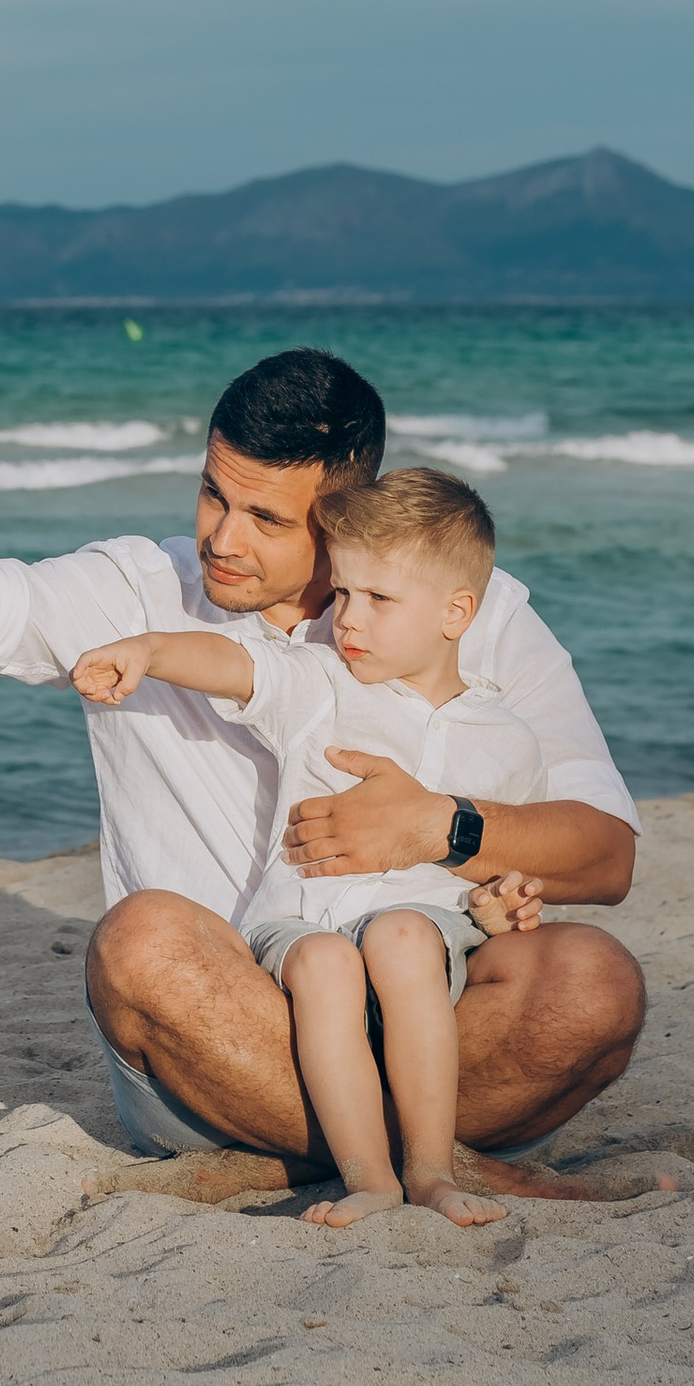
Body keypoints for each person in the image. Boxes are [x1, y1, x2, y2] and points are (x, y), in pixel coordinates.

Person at [0, 346, 645, 1190]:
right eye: (212, 495)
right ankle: (417, 1156)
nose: (221, 537)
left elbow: (602, 854)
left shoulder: (473, 611)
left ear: (346, 513)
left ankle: (347, 1153)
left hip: (417, 994)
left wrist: (440, 828)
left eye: (265, 517)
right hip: (232, 1028)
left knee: (592, 985)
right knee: (145, 942)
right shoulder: (138, 592)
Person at [73, 464, 541, 1226]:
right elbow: (234, 666)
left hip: (424, 936)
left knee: (399, 935)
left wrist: (502, 903)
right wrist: (151, 651)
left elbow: (496, 870)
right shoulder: (320, 683)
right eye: (346, 593)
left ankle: (430, 1170)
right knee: (328, 961)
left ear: (456, 612)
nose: (348, 620)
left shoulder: (507, 742)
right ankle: (369, 1179)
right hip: (302, 921)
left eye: (378, 600)